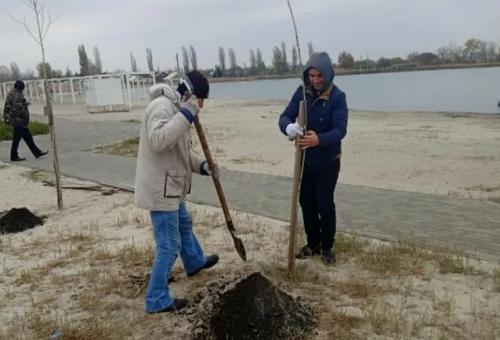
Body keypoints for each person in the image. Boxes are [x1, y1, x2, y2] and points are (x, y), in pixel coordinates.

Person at [134, 70, 219, 314]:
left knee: (184, 224)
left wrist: (203, 166)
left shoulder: (176, 109)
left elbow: (180, 151)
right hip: (161, 189)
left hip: (173, 184)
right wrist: (187, 114)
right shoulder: (162, 107)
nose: (201, 105)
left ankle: (194, 261)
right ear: (190, 93)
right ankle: (156, 299)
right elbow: (159, 140)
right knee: (169, 245)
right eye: (200, 99)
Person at [278, 52, 348, 265]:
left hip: (328, 161)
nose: (315, 80)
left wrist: (320, 139)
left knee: (324, 204)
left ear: (327, 75)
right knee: (306, 202)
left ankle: (327, 247)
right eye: (312, 75)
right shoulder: (302, 93)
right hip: (305, 160)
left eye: (319, 76)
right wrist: (289, 128)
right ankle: (313, 244)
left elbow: (340, 130)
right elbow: (284, 117)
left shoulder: (337, 97)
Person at [3, 80, 47, 161]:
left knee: (28, 137)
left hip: (16, 120)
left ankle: (37, 152)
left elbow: (15, 105)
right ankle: (14, 156)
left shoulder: (12, 93)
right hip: (18, 120)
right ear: (21, 88)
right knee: (18, 139)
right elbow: (17, 108)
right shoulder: (17, 94)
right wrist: (24, 113)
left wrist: (25, 104)